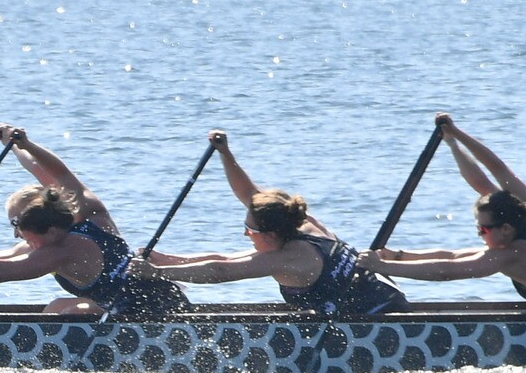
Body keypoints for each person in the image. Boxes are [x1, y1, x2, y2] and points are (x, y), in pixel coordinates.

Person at [0, 126, 190, 318]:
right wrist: (21, 146)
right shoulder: (92, 216)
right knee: (57, 306)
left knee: (72, 311)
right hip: (132, 307)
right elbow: (56, 172)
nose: (17, 237)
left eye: (19, 228)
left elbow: (1, 272)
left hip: (155, 311)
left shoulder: (60, 253)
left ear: (48, 230)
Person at [141, 131, 406, 316]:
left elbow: (222, 271)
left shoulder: (289, 259)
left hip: (379, 318)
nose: (246, 233)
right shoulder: (303, 224)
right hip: (390, 300)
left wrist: (157, 274)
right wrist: (164, 259)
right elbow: (249, 198)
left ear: (272, 233)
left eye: (251, 229)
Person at [359, 115, 526, 297]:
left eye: (482, 230)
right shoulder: (515, 216)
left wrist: (382, 266)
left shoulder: (511, 254)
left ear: (506, 229)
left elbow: (445, 271)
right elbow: (453, 256)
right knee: (495, 196)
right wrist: (453, 139)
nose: (479, 235)